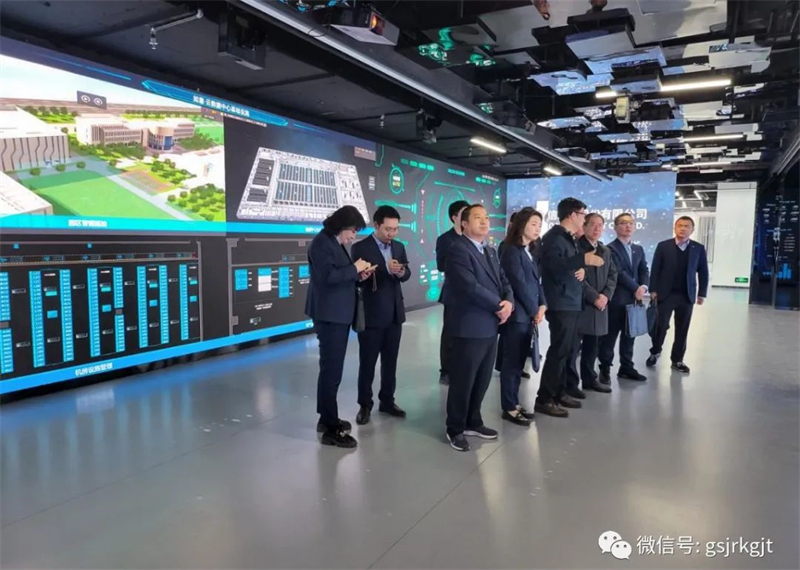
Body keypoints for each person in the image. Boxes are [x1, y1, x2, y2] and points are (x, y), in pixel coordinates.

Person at [444, 204, 514, 451]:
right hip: (469, 325)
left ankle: (473, 421)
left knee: (482, 379)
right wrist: (498, 305)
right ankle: (455, 428)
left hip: (490, 325)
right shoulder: (458, 250)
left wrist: (508, 302)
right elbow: (469, 286)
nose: (485, 222)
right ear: (464, 223)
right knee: (463, 380)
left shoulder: (490, 251)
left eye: (486, 218)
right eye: (477, 218)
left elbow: (504, 281)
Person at [305, 205, 375, 448]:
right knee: (331, 371)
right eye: (352, 231)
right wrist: (354, 268)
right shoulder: (321, 244)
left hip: (338, 314)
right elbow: (327, 278)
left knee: (332, 369)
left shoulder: (332, 242)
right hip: (330, 316)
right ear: (341, 225)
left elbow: (338, 275)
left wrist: (357, 275)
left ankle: (326, 418)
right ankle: (330, 428)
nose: (353, 236)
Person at [536, 198, 604, 418]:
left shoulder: (569, 238)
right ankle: (545, 398)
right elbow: (553, 266)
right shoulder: (554, 238)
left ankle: (559, 391)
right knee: (558, 351)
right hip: (561, 302)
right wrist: (582, 259)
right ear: (573, 215)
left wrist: (581, 267)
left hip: (572, 301)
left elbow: (569, 265)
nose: (585, 219)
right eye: (583, 214)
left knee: (568, 351)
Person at [351, 206, 411, 425]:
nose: (392, 233)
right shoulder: (360, 247)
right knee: (367, 363)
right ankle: (365, 405)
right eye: (388, 229)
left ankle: (387, 400)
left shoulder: (399, 247)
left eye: (395, 229)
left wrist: (401, 271)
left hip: (394, 314)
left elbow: (406, 273)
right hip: (372, 314)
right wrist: (383, 269)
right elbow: (357, 278)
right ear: (376, 225)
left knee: (390, 362)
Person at [499, 208, 547, 426]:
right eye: (533, 224)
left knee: (519, 363)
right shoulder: (510, 250)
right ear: (521, 225)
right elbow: (517, 284)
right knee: (512, 363)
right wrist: (534, 309)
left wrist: (542, 305)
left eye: (539, 225)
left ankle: (515, 403)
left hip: (528, 314)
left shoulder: (530, 250)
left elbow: (536, 282)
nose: (537, 229)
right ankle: (509, 407)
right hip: (517, 315)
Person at [647, 216, 709, 373]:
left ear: (692, 230)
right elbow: (655, 269)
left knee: (682, 328)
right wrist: (653, 290)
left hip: (686, 295)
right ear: (675, 227)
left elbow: (703, 271)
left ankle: (677, 360)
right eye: (680, 225)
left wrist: (702, 293)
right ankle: (655, 351)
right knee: (660, 326)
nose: (683, 228)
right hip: (665, 294)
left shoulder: (698, 248)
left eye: (687, 226)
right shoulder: (663, 246)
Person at [599, 213, 650, 382]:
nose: (628, 226)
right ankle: (605, 369)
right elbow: (618, 273)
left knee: (629, 336)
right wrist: (636, 288)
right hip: (616, 300)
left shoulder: (638, 249)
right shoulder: (609, 249)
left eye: (631, 223)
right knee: (609, 337)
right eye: (623, 223)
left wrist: (643, 287)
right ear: (615, 227)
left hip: (634, 300)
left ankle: (626, 367)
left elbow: (644, 270)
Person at [576, 213, 617, 393]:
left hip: (600, 305)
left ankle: (589, 379)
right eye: (593, 224)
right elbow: (577, 278)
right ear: (584, 226)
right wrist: (594, 297)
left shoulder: (605, 250)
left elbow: (613, 275)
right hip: (582, 304)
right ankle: (569, 384)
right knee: (572, 349)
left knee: (592, 346)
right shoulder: (576, 248)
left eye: (600, 225)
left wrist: (605, 296)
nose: (597, 228)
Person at [435, 200, 470, 386]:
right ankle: (446, 371)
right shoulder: (445, 239)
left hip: (471, 295)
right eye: (464, 213)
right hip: (454, 293)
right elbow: (441, 265)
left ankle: (462, 367)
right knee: (449, 333)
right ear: (454, 217)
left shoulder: (471, 238)